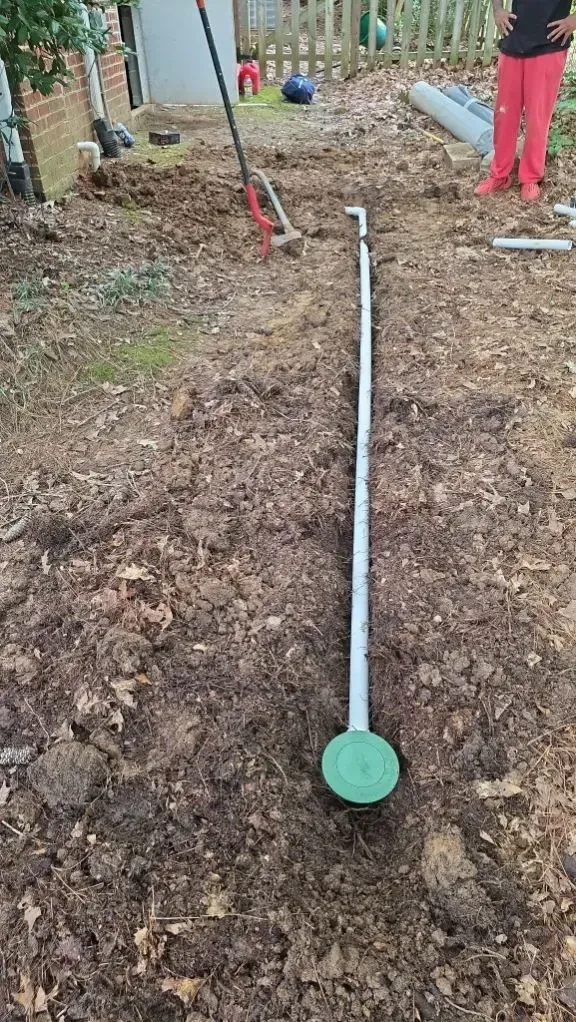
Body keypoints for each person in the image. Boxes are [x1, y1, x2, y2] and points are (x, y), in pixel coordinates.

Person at [474, 0, 576, 201]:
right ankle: (499, 174)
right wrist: (498, 10)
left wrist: (574, 19)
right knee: (504, 115)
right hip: (513, 40)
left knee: (537, 116)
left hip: (549, 45)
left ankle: (530, 177)